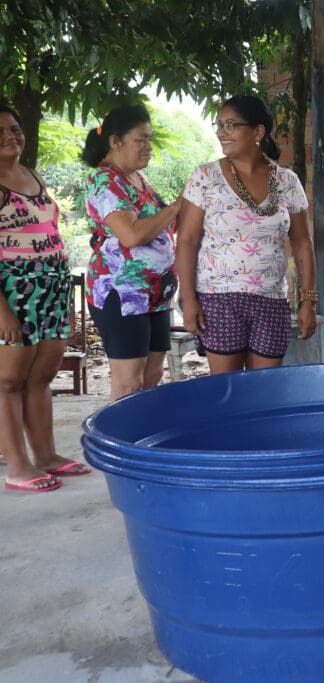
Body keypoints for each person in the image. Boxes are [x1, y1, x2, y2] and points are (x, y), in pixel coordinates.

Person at [176, 95, 315, 374]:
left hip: (271, 300)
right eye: (219, 125)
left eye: (231, 125)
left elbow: (302, 243)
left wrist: (308, 301)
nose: (221, 132)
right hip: (219, 299)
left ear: (258, 132)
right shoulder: (205, 177)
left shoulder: (287, 182)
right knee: (227, 392)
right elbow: (187, 241)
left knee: (264, 393)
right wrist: (189, 299)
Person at [0, 105, 91, 492]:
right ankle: (17, 465)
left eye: (15, 128)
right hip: (12, 291)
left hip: (50, 286)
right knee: (7, 381)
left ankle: (47, 455)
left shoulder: (31, 175)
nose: (10, 135)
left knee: (41, 377)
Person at [83, 104, 180, 401]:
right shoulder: (104, 180)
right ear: (116, 142)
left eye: (150, 139)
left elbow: (161, 228)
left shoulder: (138, 180)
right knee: (128, 385)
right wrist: (177, 206)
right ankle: (117, 446)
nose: (149, 147)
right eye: (142, 139)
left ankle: (144, 445)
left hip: (155, 294)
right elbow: (131, 235)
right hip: (122, 293)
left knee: (151, 378)